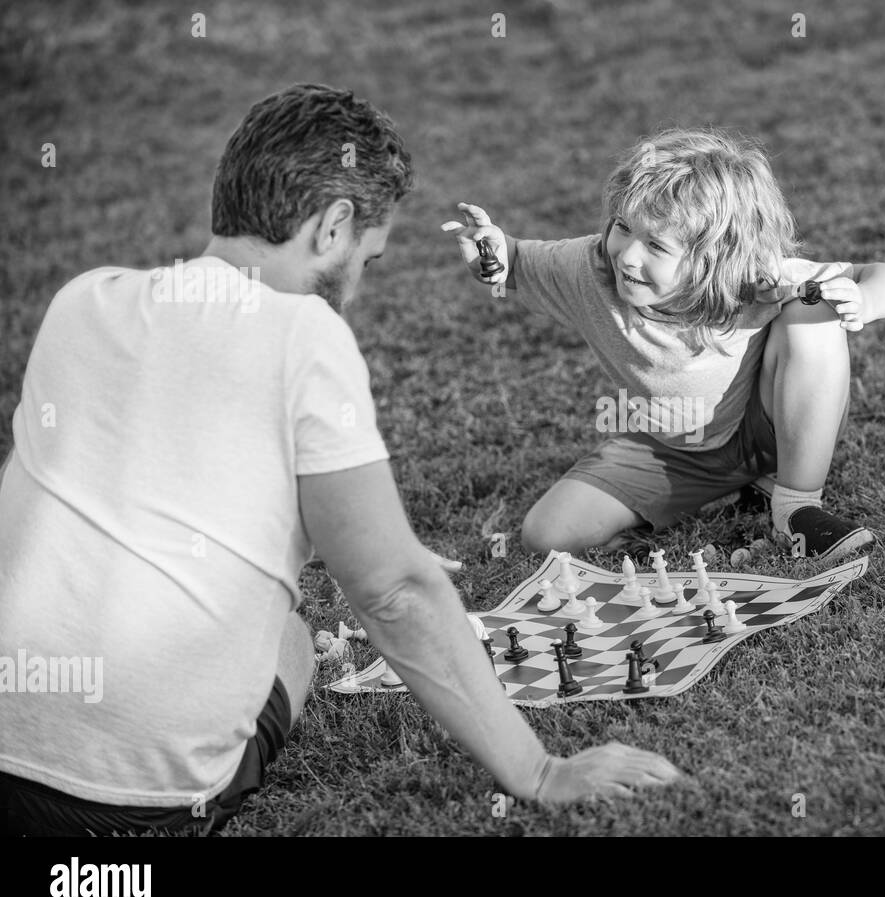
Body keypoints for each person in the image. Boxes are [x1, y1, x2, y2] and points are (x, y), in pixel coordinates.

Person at [0, 83, 679, 837]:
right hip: (129, 808)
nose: (356, 286)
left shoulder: (84, 301)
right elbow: (392, 594)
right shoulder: (303, 333)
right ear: (332, 227)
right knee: (290, 639)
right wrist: (541, 770)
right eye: (367, 257)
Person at [442, 127, 885, 560]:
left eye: (657, 246)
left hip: (769, 428)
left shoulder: (757, 277)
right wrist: (494, 252)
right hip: (670, 448)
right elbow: (519, 258)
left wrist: (866, 299)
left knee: (813, 310)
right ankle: (736, 491)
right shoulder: (589, 271)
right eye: (623, 227)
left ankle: (795, 507)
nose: (627, 255)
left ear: (715, 260)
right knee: (547, 535)